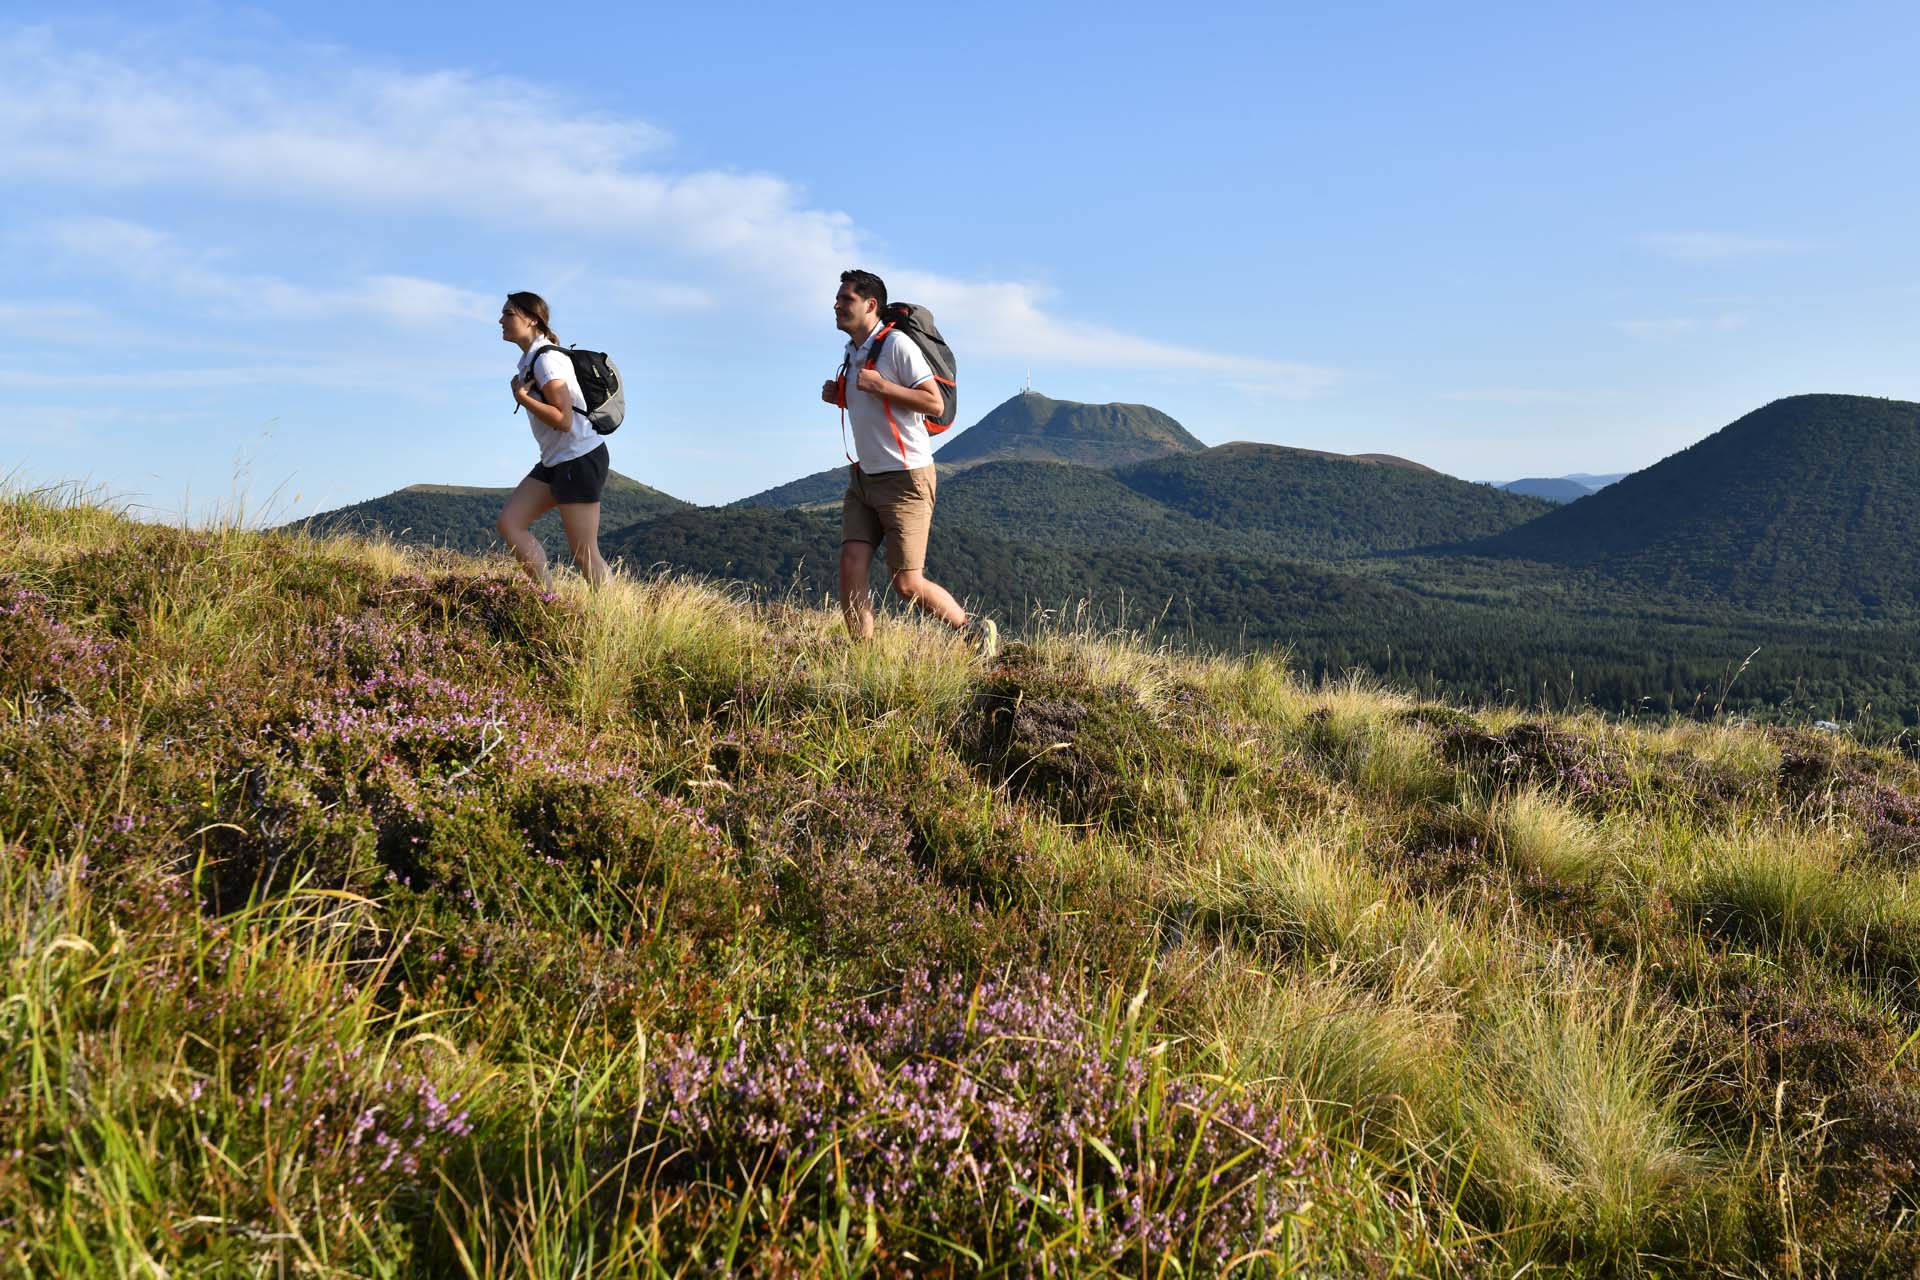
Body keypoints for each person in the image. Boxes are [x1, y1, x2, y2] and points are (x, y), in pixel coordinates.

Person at [820, 270, 996, 657]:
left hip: (906, 479)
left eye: (845, 298)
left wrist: (882, 386)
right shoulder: (853, 351)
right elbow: (878, 408)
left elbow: (932, 402)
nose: (836, 305)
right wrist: (841, 397)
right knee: (851, 563)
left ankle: (973, 631)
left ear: (870, 305)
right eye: (837, 298)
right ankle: (861, 654)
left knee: (906, 583)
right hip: (864, 478)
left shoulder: (896, 345)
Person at [495, 292, 611, 588]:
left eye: (508, 314)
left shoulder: (547, 361)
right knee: (510, 523)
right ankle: (548, 596)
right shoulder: (531, 360)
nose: (501, 320)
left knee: (585, 553)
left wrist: (522, 397)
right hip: (555, 461)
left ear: (532, 319)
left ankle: (619, 622)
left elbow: (563, 419)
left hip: (578, 459)